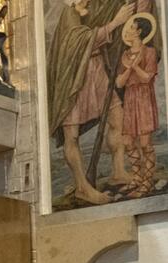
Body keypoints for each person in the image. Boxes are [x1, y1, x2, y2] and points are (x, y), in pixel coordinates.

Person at [47, 0, 142, 205]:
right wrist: (116, 22)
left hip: (97, 70)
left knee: (118, 118)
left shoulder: (92, 11)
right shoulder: (68, 14)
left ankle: (118, 171)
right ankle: (82, 187)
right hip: (74, 79)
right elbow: (80, 42)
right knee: (71, 136)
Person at [116, 12, 160, 197]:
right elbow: (119, 83)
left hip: (143, 98)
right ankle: (136, 178)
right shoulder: (124, 55)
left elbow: (147, 78)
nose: (128, 31)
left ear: (140, 31)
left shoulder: (150, 52)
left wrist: (134, 66)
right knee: (127, 141)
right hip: (130, 98)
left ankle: (147, 181)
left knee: (144, 143)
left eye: (132, 28)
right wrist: (128, 69)